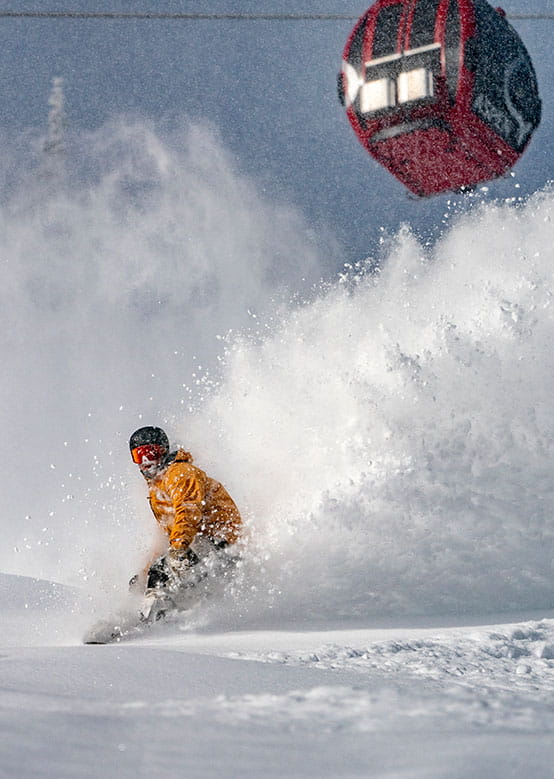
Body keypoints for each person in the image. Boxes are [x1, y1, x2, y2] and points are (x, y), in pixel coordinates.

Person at [129, 425, 242, 619]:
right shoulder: (158, 488)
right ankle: (167, 614)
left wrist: (178, 549)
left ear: (163, 451)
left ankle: (151, 615)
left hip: (221, 545)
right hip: (199, 545)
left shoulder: (180, 473)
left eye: (151, 453)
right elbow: (167, 536)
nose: (146, 461)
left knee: (163, 572)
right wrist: (144, 573)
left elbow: (188, 511)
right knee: (159, 573)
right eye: (140, 456)